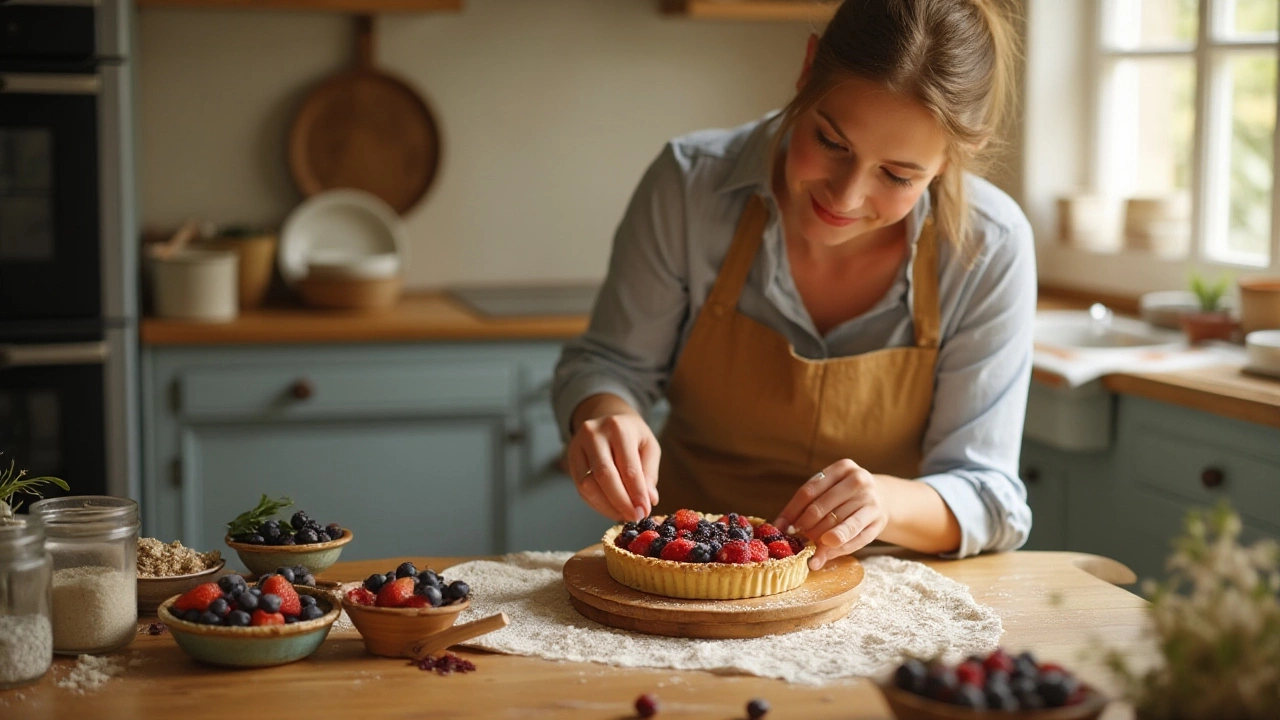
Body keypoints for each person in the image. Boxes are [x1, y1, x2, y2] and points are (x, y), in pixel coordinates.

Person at [553, 0, 1033, 569]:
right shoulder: (688, 187)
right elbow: (610, 364)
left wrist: (885, 503)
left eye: (898, 175)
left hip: (877, 585)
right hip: (689, 575)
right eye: (832, 142)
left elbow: (989, 493)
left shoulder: (990, 247)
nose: (846, 196)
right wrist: (611, 412)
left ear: (956, 157)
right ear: (807, 69)